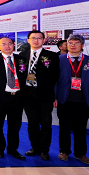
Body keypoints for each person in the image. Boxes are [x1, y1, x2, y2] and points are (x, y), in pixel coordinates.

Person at [55, 35, 89, 165]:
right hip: (64, 99)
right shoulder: (59, 60)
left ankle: (80, 153)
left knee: (81, 128)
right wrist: (54, 97)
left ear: (82, 45)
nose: (73, 45)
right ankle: (64, 151)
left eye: (76, 43)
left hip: (83, 100)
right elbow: (54, 81)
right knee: (64, 127)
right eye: (70, 43)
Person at [0, 37, 28, 159]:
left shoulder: (21, 60)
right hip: (1, 97)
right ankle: (0, 147)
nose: (7, 46)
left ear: (14, 45)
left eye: (10, 43)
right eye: (4, 44)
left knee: (15, 125)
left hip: (17, 97)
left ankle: (13, 149)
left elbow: (26, 77)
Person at [21, 30, 60, 161]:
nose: (36, 40)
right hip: (28, 94)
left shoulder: (52, 56)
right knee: (32, 123)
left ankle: (44, 150)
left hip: (45, 94)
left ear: (43, 40)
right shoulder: (22, 55)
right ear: (28, 40)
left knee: (46, 123)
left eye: (39, 38)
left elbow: (55, 76)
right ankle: (35, 147)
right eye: (33, 38)